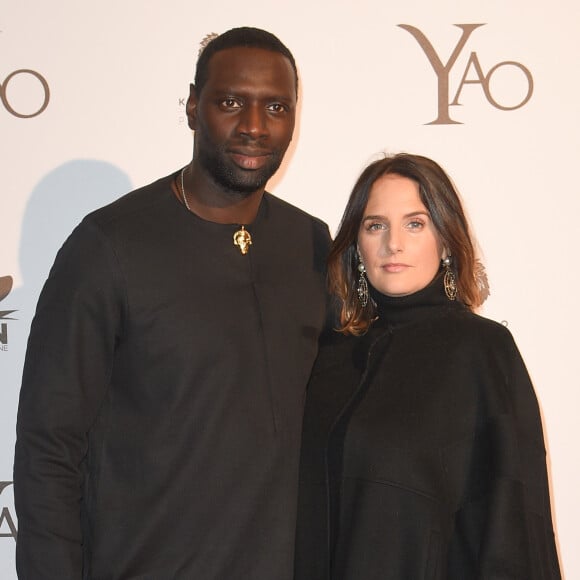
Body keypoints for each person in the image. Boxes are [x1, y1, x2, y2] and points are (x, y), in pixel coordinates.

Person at [14, 27, 331, 579]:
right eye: (231, 102)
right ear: (192, 106)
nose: (254, 126)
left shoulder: (312, 246)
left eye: (275, 107)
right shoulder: (109, 246)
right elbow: (49, 449)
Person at [294, 153, 561, 579]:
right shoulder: (327, 356)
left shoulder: (484, 350)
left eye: (414, 224)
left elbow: (514, 524)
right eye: (375, 224)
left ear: (445, 238)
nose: (392, 243)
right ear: (357, 246)